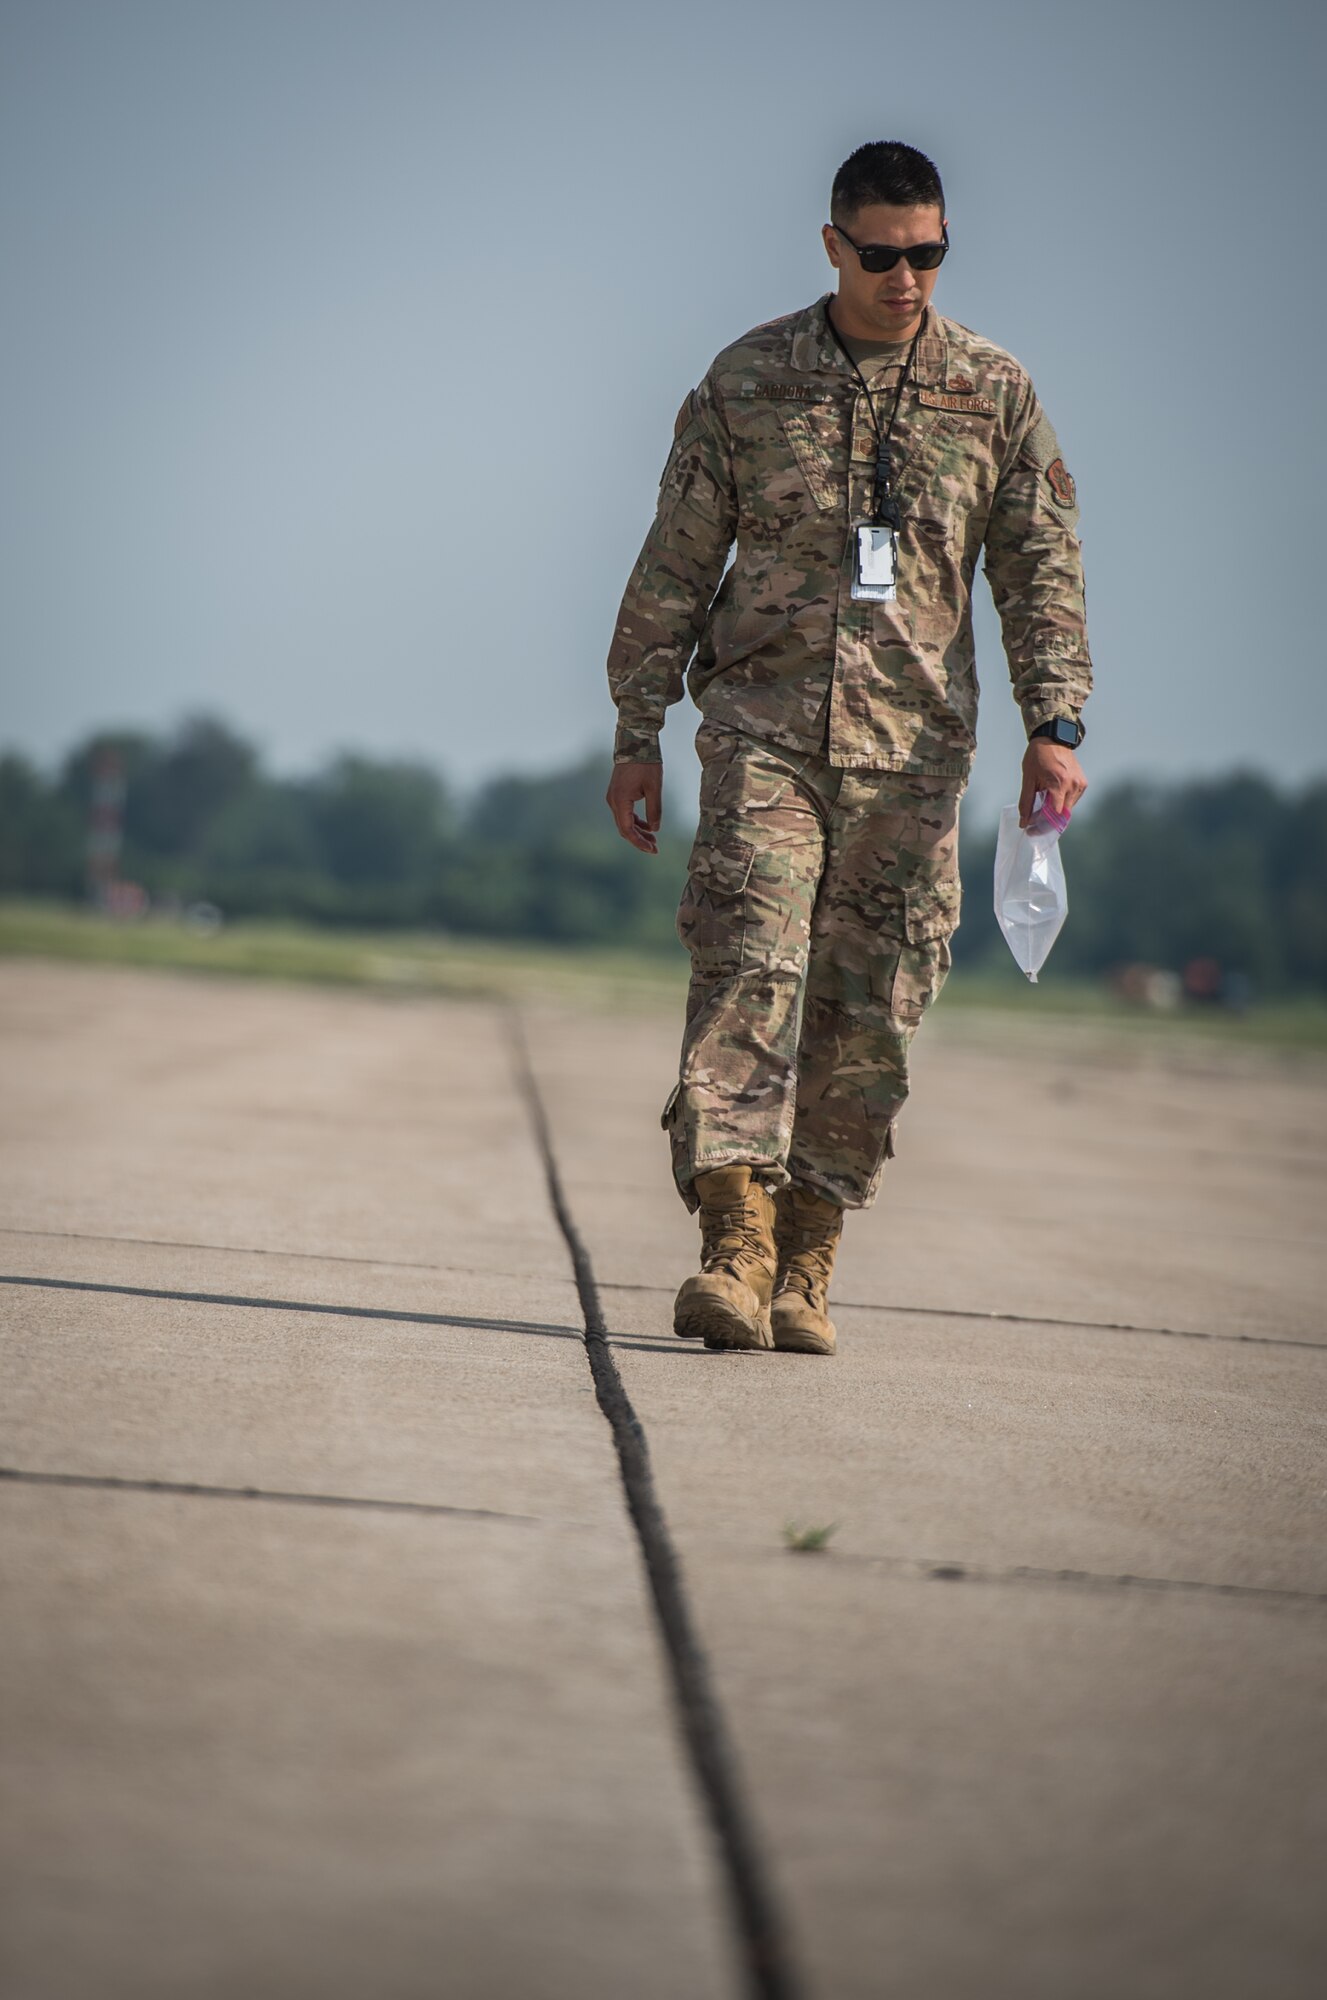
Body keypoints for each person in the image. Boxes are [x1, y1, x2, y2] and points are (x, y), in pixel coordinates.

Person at [604, 140, 1091, 1357]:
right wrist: (637, 725)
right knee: (746, 969)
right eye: (881, 254)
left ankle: (808, 1258)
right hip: (764, 735)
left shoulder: (993, 391)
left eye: (927, 253)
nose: (905, 277)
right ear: (833, 246)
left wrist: (1055, 723)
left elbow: (1038, 565)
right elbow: (676, 561)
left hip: (916, 758)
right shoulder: (748, 381)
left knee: (871, 1012)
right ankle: (734, 1242)